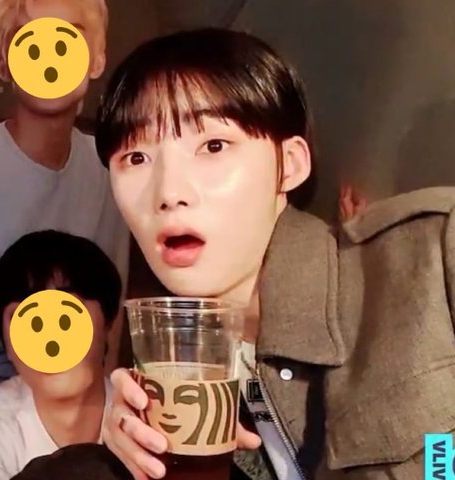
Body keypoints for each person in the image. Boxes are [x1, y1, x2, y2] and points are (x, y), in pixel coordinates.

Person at [94, 28, 455, 480]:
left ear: (290, 165)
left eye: (213, 146)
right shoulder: (187, 375)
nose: (168, 193)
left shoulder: (433, 253)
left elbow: (441, 456)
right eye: (136, 158)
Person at [0, 0, 130, 393]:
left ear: (97, 59)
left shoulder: (116, 170)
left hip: (85, 403)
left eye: (70, 35)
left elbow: (111, 321)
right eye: (30, 37)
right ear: (4, 62)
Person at [0, 230, 122, 479]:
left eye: (66, 315)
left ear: (108, 323)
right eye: (30, 321)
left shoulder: (147, 416)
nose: (51, 342)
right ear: (8, 346)